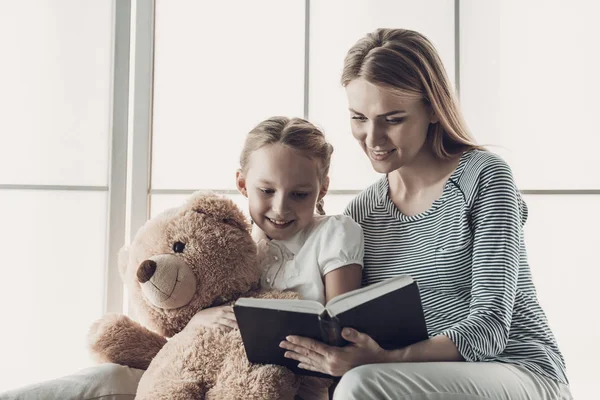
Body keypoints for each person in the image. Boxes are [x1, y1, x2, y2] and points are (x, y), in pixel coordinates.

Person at [278, 28, 573, 400]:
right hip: (410, 377)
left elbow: (490, 327)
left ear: (433, 109)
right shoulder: (361, 213)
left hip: (518, 369)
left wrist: (386, 359)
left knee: (361, 383)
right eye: (358, 117)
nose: (373, 138)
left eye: (393, 119)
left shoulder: (483, 177)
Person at [189, 116, 364, 399]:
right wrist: (199, 319)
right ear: (242, 183)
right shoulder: (231, 245)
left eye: (299, 194)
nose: (281, 209)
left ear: (323, 188)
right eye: (267, 191)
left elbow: (340, 330)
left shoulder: (334, 233)